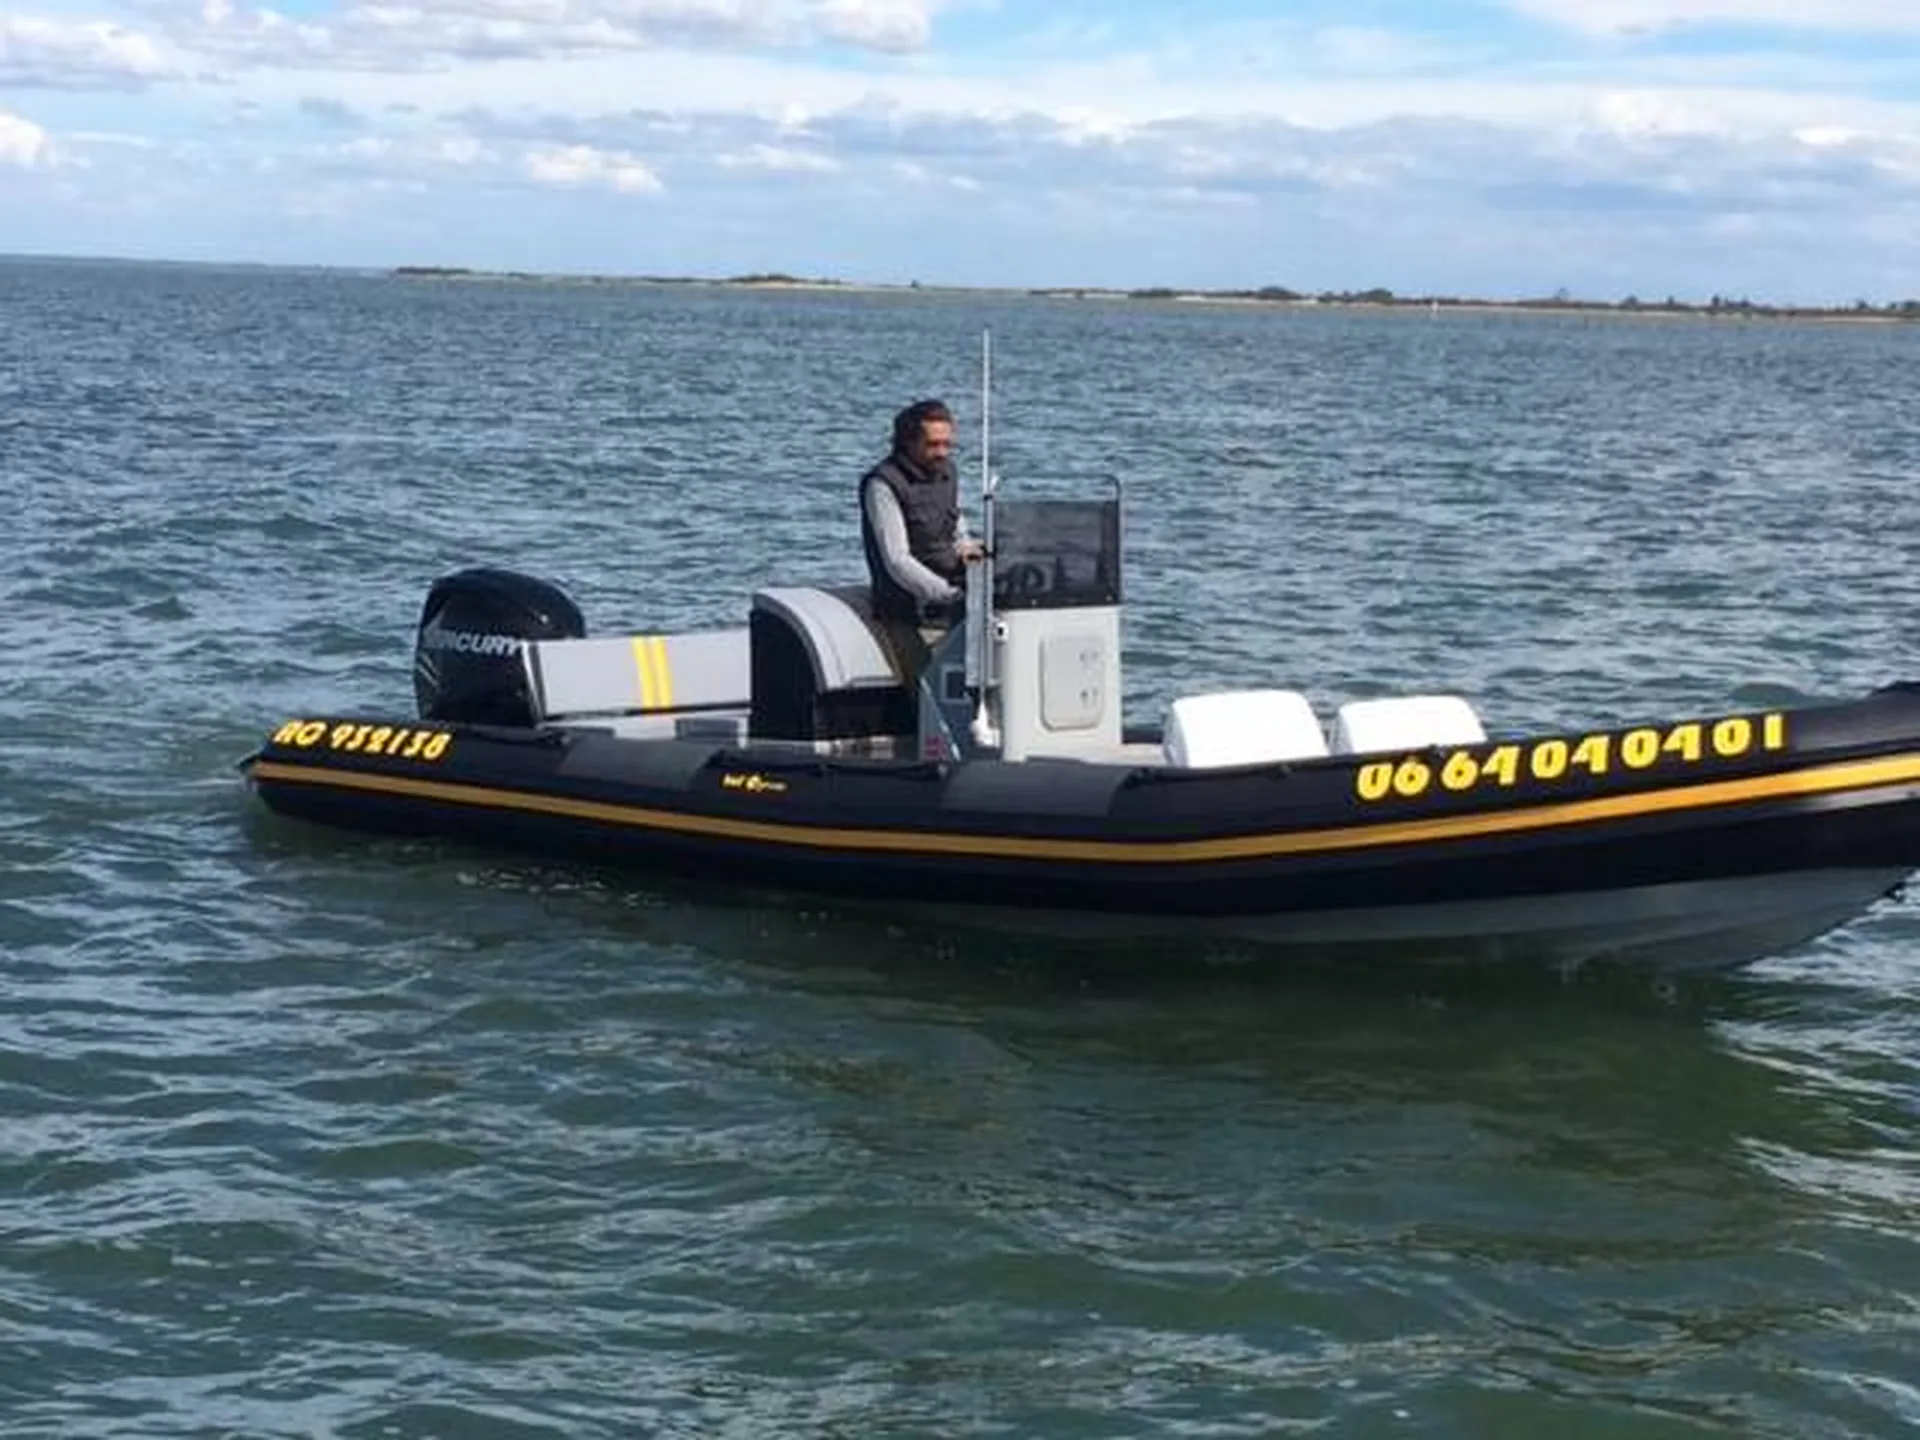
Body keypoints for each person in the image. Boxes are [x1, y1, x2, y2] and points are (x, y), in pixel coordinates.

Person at [859, 400, 984, 668]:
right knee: (931, 690)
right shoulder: (882, 484)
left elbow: (955, 523)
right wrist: (946, 595)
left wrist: (968, 549)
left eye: (947, 444)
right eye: (932, 444)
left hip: (957, 599)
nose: (942, 452)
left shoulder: (947, 472)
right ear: (908, 442)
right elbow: (897, 560)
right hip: (909, 609)